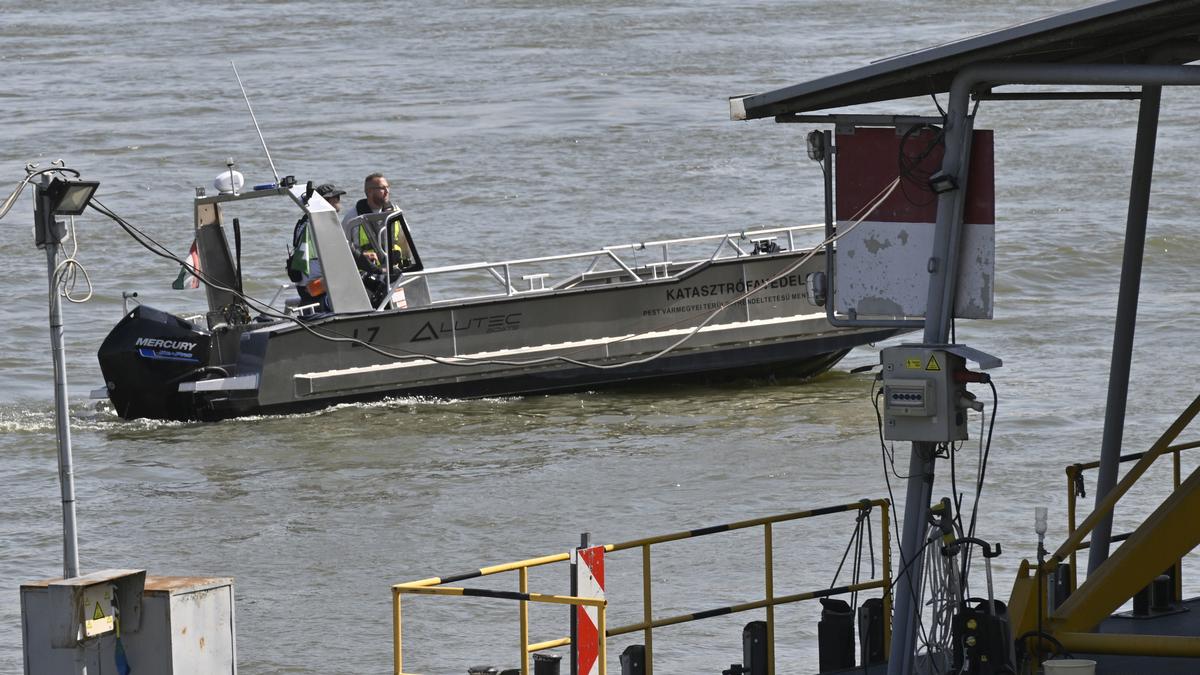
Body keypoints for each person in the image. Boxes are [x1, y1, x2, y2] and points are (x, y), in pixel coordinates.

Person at [287, 183, 347, 310]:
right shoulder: (321, 224)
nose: (338, 200)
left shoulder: (304, 222)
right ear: (326, 201)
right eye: (336, 197)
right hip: (317, 288)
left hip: (305, 288)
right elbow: (346, 253)